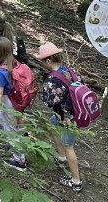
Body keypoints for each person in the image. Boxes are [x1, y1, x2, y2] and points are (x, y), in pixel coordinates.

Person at [35, 42, 83, 192]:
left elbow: (48, 102)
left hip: (66, 117)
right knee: (52, 124)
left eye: (43, 61)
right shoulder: (69, 70)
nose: (42, 64)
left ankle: (76, 181)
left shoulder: (51, 81)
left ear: (49, 61)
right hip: (74, 111)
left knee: (69, 146)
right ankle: (61, 157)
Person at [0, 36, 27, 171]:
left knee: (10, 130)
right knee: (6, 120)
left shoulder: (1, 71)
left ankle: (20, 160)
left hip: (9, 102)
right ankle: (17, 140)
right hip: (18, 100)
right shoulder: (14, 63)